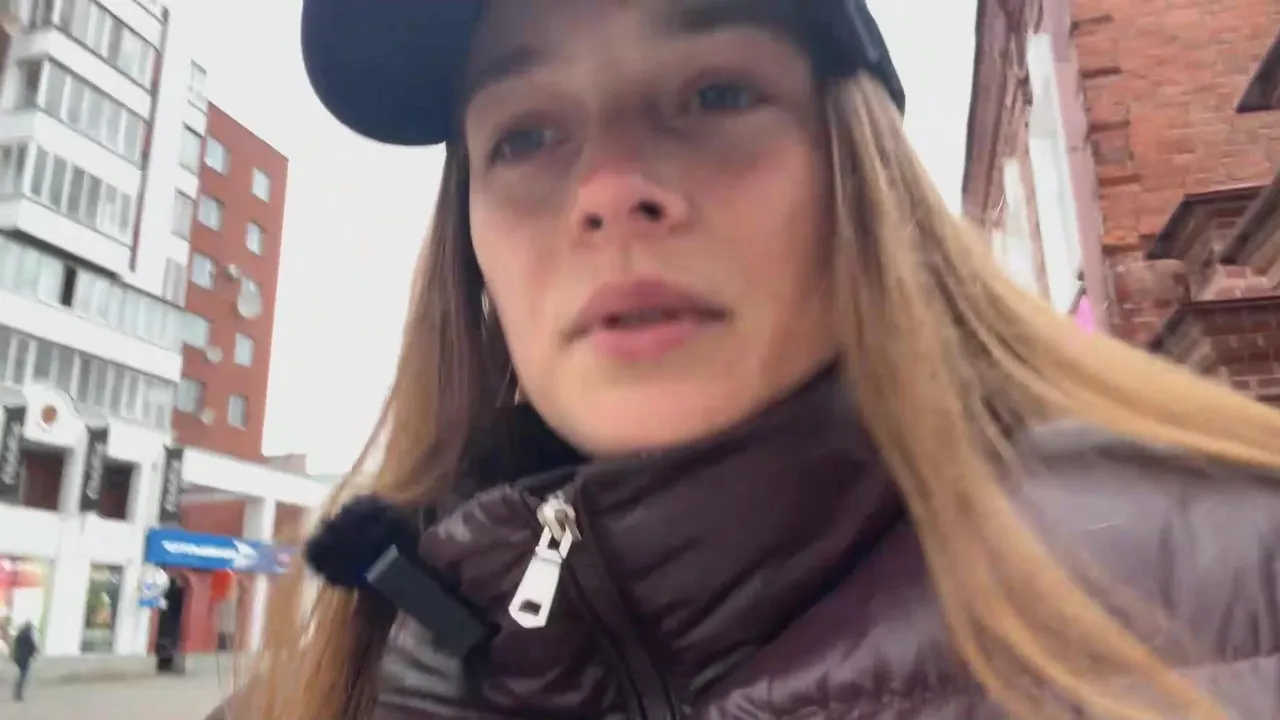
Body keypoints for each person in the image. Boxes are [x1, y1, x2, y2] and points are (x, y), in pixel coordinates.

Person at [213, 1, 1280, 718]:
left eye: (715, 94)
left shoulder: (1240, 583)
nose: (610, 190)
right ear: (471, 250)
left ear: (856, 175)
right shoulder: (336, 681)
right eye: (525, 135)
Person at [10, 622, 37, 702]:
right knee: (24, 676)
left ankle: (17, 693)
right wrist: (33, 654)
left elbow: (15, 646)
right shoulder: (28, 636)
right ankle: (18, 694)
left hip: (18, 658)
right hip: (24, 658)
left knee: (22, 675)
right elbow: (32, 647)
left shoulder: (19, 635)